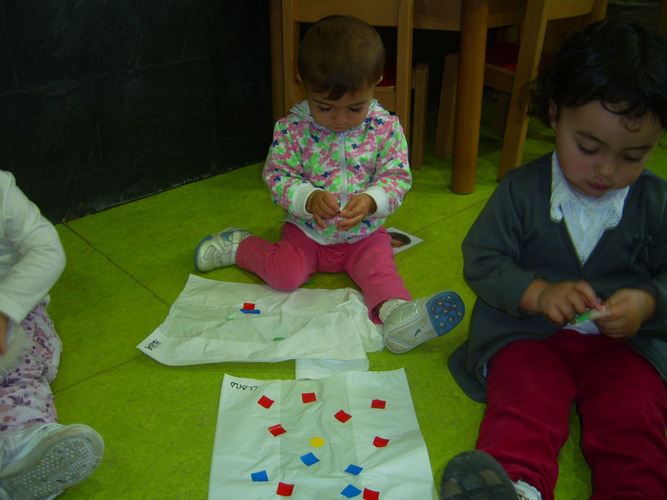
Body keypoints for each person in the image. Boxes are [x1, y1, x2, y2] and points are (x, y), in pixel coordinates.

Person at [441, 20, 667, 500]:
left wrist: (647, 302)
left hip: (626, 348)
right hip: (528, 336)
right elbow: (482, 260)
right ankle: (517, 488)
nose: (606, 170)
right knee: (524, 403)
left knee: (633, 416)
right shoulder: (521, 189)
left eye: (634, 155)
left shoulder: (655, 203)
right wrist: (538, 294)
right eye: (587, 147)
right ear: (555, 113)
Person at [194, 15, 464, 353]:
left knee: (381, 272)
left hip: (363, 235)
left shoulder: (385, 127)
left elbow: (397, 176)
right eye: (325, 107)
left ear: (376, 83)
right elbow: (278, 175)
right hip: (307, 232)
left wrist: (372, 200)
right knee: (284, 276)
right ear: (301, 82)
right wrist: (307, 198)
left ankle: (397, 314)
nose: (339, 119)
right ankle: (240, 246)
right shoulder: (291, 129)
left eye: (355, 107)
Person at [0, 170, 104, 499]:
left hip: (16, 312)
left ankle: (22, 442)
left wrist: (5, 310)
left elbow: (47, 251)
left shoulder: (1, 190)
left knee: (18, 368)